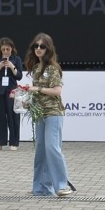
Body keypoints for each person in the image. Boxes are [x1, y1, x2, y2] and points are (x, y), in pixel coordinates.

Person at [26, 33, 71, 197]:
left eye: (42, 46)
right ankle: (41, 187)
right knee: (41, 150)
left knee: (52, 148)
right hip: (40, 113)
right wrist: (25, 99)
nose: (38, 49)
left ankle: (62, 185)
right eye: (35, 46)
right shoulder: (36, 68)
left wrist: (36, 89)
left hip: (53, 112)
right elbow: (37, 93)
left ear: (48, 48)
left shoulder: (53, 68)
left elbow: (57, 91)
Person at [0, 38, 24, 150]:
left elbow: (19, 76)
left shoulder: (16, 59)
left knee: (13, 117)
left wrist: (11, 66)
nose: (5, 51)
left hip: (11, 91)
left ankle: (13, 142)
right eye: (3, 49)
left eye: (7, 49)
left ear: (12, 49)